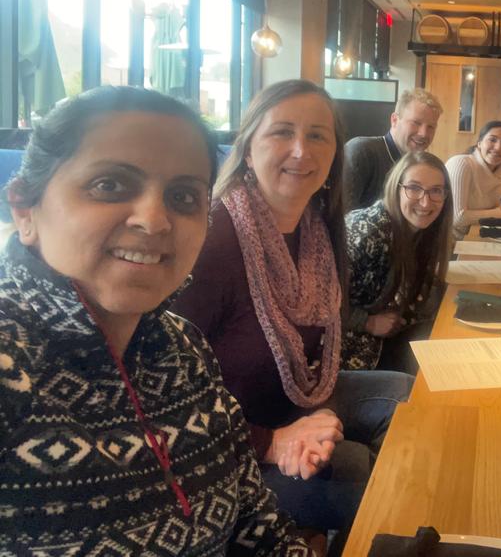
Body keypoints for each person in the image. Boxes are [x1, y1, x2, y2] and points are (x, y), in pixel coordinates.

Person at [0, 86, 310, 554]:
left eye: (183, 196)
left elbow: (257, 525)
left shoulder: (183, 348)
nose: (154, 219)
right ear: (25, 208)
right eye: (109, 185)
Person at [171, 80, 414, 550]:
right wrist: (272, 441)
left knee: (409, 396)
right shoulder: (212, 240)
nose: (301, 151)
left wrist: (314, 416)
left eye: (318, 136)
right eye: (281, 132)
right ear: (247, 148)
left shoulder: (319, 228)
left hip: (298, 399)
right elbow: (171, 403)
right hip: (231, 447)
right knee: (366, 480)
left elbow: (321, 345)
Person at [344, 152, 452, 373]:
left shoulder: (420, 232)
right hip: (349, 355)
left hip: (388, 339)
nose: (425, 201)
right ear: (396, 188)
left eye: (435, 191)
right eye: (414, 188)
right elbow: (317, 304)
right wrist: (367, 322)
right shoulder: (368, 232)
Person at [344, 88, 443, 211]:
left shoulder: (421, 167)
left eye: (431, 127)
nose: (423, 133)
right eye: (416, 123)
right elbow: (341, 218)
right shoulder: (362, 152)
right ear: (395, 120)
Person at [446, 120, 501, 238]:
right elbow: (456, 217)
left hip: (478, 237)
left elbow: (489, 215)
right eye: (492, 140)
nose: (498, 147)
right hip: (449, 240)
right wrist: (500, 212)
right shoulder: (462, 164)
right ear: (479, 143)